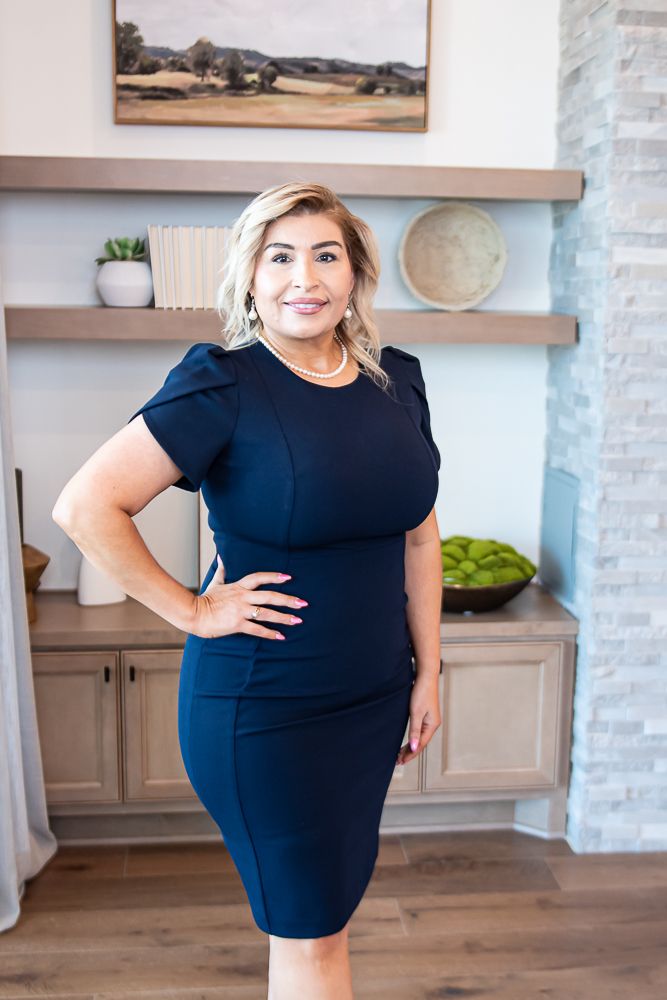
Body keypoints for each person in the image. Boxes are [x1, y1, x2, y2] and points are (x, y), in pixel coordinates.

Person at [52, 181, 443, 1000]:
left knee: (322, 921)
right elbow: (86, 506)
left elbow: (416, 533)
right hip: (266, 706)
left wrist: (429, 672)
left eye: (325, 254)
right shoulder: (223, 382)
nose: (304, 275)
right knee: (311, 936)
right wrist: (191, 609)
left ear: (353, 273)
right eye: (280, 256)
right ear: (251, 277)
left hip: (371, 696)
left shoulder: (396, 381)